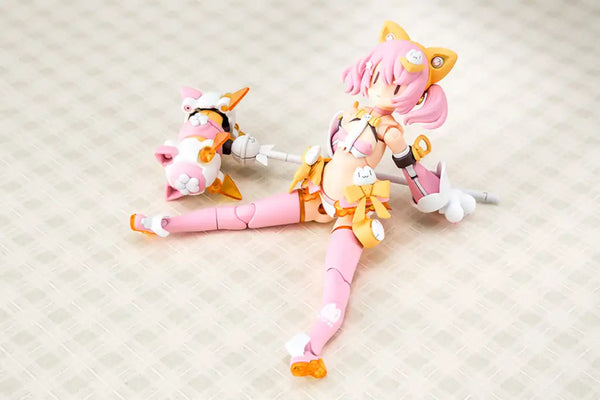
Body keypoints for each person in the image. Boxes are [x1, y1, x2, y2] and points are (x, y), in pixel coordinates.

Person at [130, 21, 475, 378]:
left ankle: (311, 347)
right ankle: (167, 224)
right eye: (375, 77)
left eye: (395, 86)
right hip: (316, 190)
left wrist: (428, 181)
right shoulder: (351, 113)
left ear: (414, 95)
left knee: (337, 278)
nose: (379, 88)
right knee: (247, 214)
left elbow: (411, 171)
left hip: (352, 210)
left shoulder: (391, 131)